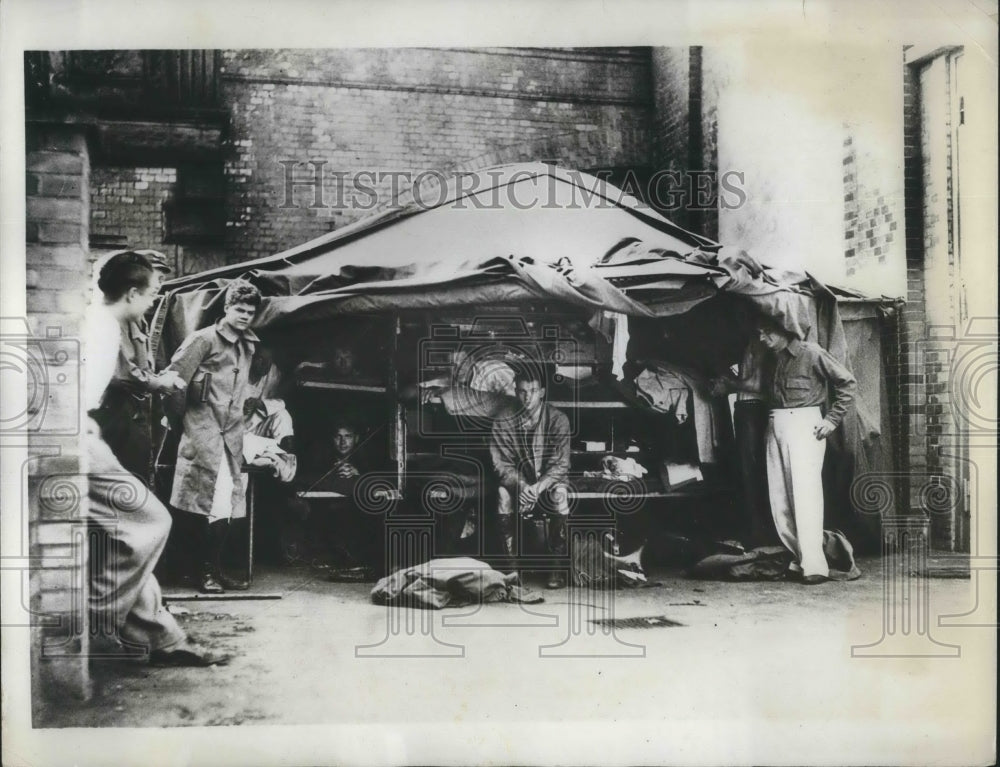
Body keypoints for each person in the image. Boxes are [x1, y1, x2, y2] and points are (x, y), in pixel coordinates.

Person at [85, 251, 228, 666]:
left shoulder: (112, 322)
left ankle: (160, 638)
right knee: (149, 521)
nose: (153, 301)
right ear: (132, 293)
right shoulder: (101, 328)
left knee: (129, 530)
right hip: (87, 436)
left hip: (91, 433)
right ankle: (98, 626)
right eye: (151, 293)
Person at [163, 280, 262, 593]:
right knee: (200, 502)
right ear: (226, 308)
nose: (245, 316)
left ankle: (212, 570)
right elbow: (174, 381)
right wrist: (184, 422)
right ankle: (200, 572)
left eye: (250, 311)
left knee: (224, 503)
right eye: (239, 309)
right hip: (201, 434)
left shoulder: (248, 345)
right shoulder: (203, 340)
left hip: (231, 439)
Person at [756, 316, 857, 585]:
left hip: (804, 425)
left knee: (806, 496)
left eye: (766, 333)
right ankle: (797, 557)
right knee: (780, 499)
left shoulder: (811, 353)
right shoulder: (772, 357)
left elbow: (846, 382)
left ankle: (815, 565)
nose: (761, 339)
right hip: (775, 423)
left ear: (782, 331)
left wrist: (832, 420)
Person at [90, 249, 181, 484]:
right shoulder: (108, 321)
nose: (158, 290)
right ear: (133, 289)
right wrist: (159, 383)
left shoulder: (134, 317)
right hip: (113, 413)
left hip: (132, 413)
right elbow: (121, 373)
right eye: (154, 283)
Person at [489, 364, 571, 589]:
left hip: (548, 481)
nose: (527, 397)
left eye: (533, 391)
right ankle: (512, 570)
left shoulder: (558, 419)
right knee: (501, 494)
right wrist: (523, 486)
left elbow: (561, 464)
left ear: (542, 392)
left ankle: (555, 570)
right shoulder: (503, 420)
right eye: (523, 391)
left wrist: (537, 488)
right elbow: (501, 465)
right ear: (516, 391)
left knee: (560, 496)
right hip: (518, 482)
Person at [709, 329, 780, 547]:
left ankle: (759, 534)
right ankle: (756, 531)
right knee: (748, 470)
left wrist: (727, 384)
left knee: (752, 471)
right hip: (747, 407)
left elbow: (757, 385)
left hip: (753, 408)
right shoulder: (752, 342)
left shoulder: (759, 344)